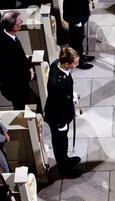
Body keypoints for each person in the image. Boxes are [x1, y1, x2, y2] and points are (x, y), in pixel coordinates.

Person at [43, 47, 82, 177]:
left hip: (63, 111)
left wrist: (72, 95)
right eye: (75, 63)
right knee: (60, 142)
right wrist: (61, 123)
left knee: (63, 140)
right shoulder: (56, 84)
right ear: (67, 64)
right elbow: (56, 104)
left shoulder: (57, 63)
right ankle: (63, 168)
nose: (77, 64)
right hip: (58, 117)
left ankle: (65, 159)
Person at [0, 11, 39, 110]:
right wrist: (29, 74)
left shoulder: (10, 36)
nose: (22, 22)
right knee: (22, 109)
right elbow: (12, 70)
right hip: (15, 86)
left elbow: (21, 56)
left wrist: (29, 66)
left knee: (28, 105)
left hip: (20, 83)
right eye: (20, 21)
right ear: (14, 26)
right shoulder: (5, 45)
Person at [63, 0, 94, 70]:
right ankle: (78, 62)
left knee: (80, 39)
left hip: (80, 20)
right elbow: (66, 14)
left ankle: (82, 57)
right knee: (76, 43)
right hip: (75, 22)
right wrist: (75, 22)